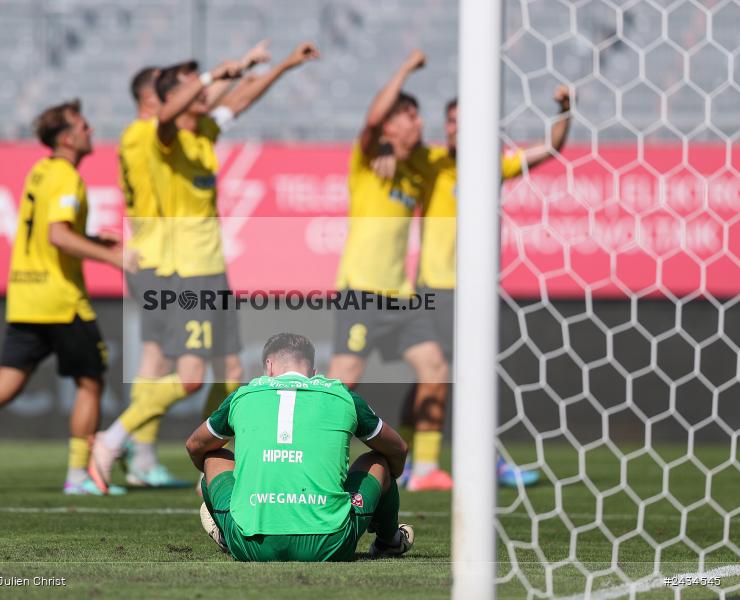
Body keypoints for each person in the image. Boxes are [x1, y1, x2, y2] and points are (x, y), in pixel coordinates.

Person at [89, 43, 320, 493]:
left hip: (211, 267)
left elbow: (241, 100)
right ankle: (113, 439)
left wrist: (283, 65)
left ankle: (214, 461)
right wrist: (215, 74)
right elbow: (181, 110)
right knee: (188, 376)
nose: (204, 96)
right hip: (181, 268)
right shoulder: (157, 136)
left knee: (231, 372)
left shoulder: (201, 133)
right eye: (191, 90)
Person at [0, 99, 136, 496]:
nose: (90, 130)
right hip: (60, 300)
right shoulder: (67, 177)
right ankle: (77, 478)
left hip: (24, 296)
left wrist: (91, 239)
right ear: (68, 138)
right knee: (91, 383)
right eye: (83, 125)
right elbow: (57, 234)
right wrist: (112, 257)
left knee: (4, 385)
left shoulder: (40, 171)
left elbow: (53, 233)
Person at [391, 85, 574, 488]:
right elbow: (392, 151)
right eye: (450, 122)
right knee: (434, 376)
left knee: (465, 377)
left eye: (462, 121)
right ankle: (413, 463)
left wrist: (565, 110)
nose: (453, 128)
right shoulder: (431, 161)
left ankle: (458, 461)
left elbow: (551, 147)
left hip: (476, 291)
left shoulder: (493, 164)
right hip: (435, 289)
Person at [118, 43, 272, 488]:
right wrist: (212, 78)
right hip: (162, 259)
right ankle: (135, 446)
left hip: (169, 258)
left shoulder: (178, 131)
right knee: (167, 361)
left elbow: (220, 107)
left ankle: (143, 452)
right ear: (155, 97)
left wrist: (241, 69)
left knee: (167, 357)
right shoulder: (143, 133)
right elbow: (189, 113)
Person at [327, 49, 452, 492]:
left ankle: (427, 468)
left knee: (435, 365)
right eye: (408, 116)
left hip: (401, 294)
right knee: (344, 381)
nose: (418, 123)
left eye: (419, 116)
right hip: (361, 288)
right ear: (389, 126)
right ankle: (325, 463)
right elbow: (371, 119)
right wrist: (404, 67)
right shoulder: (366, 160)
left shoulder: (418, 167)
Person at [186, 333, 413, 562]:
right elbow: (398, 449)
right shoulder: (343, 397)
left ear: (269, 366)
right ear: (313, 373)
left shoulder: (243, 396)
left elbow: (195, 445)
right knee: (378, 460)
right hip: (330, 544)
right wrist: (381, 496)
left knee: (213, 456)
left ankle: (228, 531)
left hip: (250, 545)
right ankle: (389, 542)